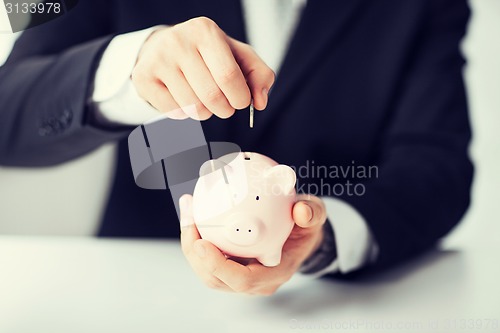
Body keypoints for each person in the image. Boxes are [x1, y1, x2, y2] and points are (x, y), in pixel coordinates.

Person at [0, 0, 473, 295]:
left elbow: (438, 166)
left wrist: (323, 239)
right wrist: (130, 66)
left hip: (326, 304)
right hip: (133, 291)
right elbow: (9, 108)